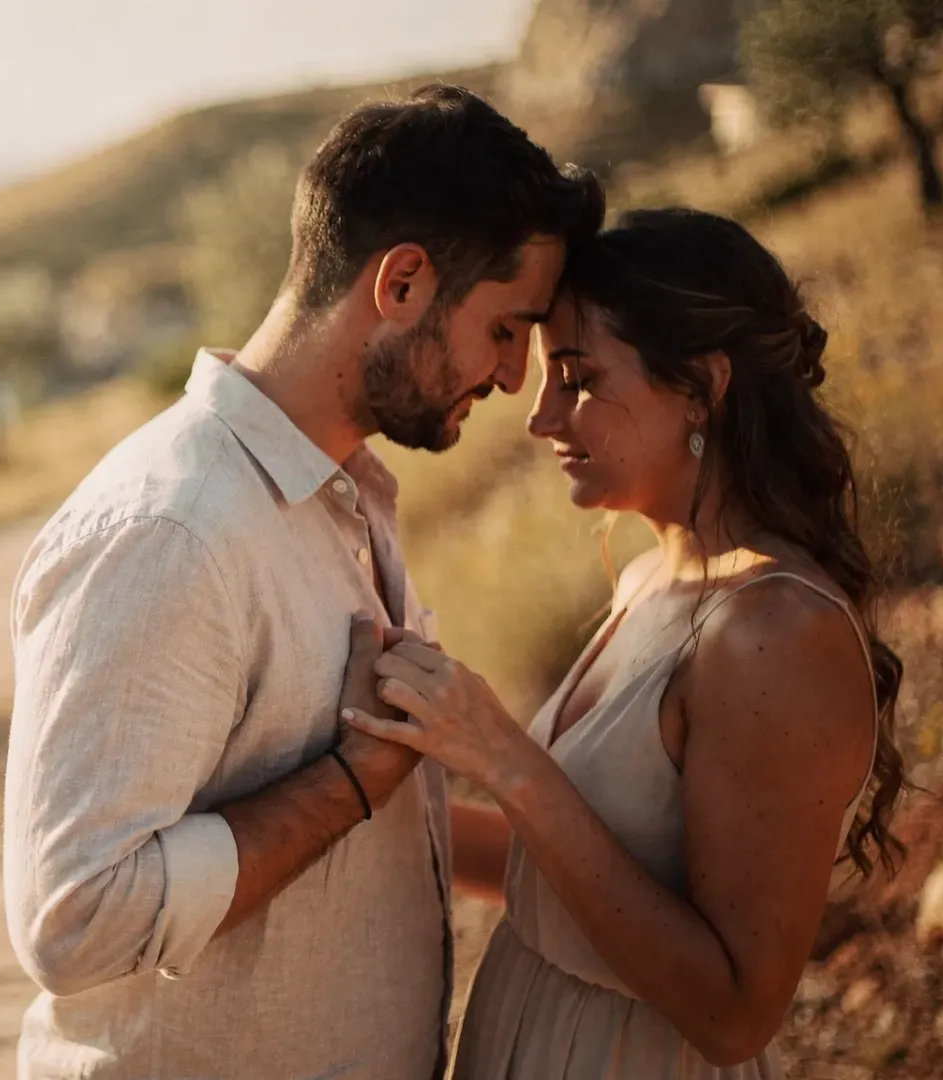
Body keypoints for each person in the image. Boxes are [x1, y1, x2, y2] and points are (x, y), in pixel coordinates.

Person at [1, 85, 602, 1079]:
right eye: (506, 330)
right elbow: (78, 919)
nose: (508, 379)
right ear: (402, 283)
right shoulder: (171, 530)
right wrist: (350, 784)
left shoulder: (346, 496)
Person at [343, 207, 907, 1078]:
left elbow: (735, 1013)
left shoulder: (776, 634)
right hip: (529, 1035)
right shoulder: (655, 578)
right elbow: (560, 874)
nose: (540, 418)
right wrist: (355, 807)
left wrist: (508, 759)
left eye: (576, 378)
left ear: (703, 387)